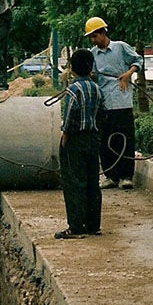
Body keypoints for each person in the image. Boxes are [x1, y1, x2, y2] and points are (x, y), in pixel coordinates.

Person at [85, 16, 141, 190]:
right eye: (91, 38)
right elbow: (91, 74)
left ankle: (126, 176)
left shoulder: (120, 47)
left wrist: (128, 73)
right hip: (103, 103)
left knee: (124, 141)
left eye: (95, 36)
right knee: (104, 141)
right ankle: (111, 176)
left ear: (103, 33)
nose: (94, 40)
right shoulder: (93, 54)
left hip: (122, 101)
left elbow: (138, 61)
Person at [56, 48, 105, 239]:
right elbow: (102, 112)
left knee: (74, 182)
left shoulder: (73, 90)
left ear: (72, 68)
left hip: (76, 140)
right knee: (93, 182)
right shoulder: (96, 88)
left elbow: (69, 118)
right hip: (93, 139)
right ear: (91, 67)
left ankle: (75, 227)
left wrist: (64, 140)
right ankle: (94, 225)